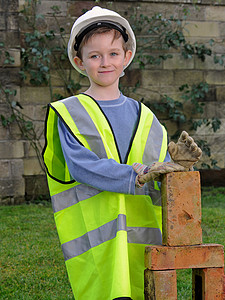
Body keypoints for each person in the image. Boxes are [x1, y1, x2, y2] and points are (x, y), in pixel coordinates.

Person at [42, 6, 202, 300]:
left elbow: (161, 175)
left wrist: (179, 169)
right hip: (98, 249)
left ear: (126, 57)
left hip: (146, 245)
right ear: (80, 62)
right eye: (95, 56)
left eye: (113, 54)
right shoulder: (69, 113)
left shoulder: (147, 117)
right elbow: (82, 167)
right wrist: (139, 173)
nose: (105, 62)